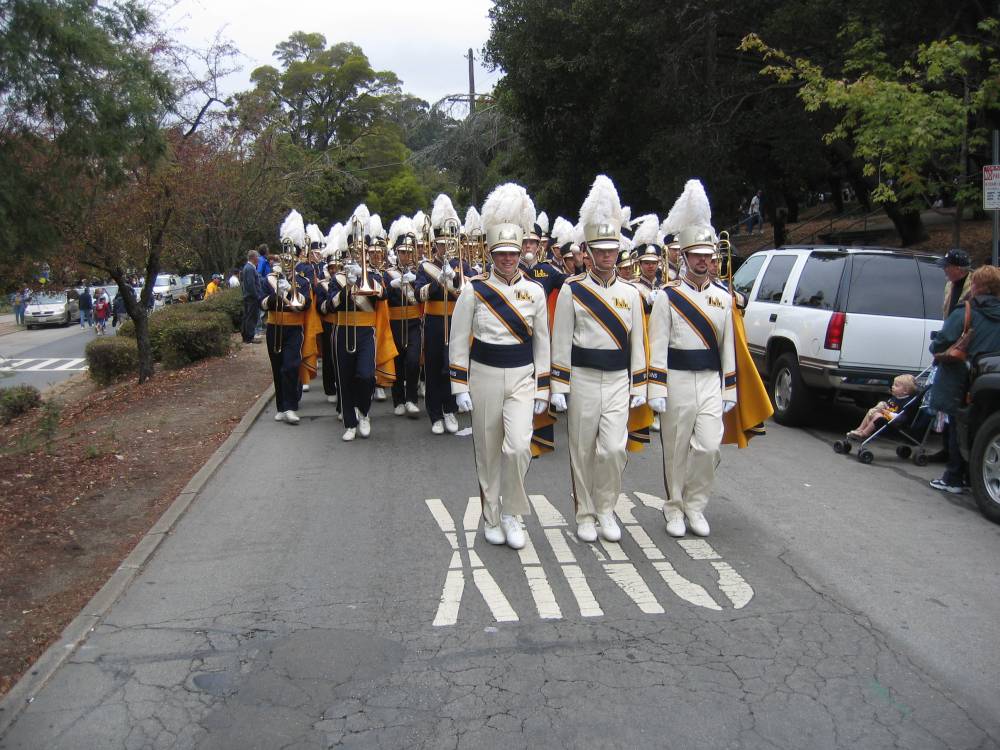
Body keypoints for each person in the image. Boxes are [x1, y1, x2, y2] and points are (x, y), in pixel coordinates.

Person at [449, 183, 551, 549]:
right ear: (491, 252)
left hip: (523, 376)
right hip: (485, 377)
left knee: (520, 447)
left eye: (513, 252)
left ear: (521, 251)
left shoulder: (535, 292)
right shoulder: (473, 290)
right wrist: (460, 387)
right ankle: (491, 515)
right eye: (501, 253)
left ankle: (512, 513)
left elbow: (542, 342)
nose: (508, 258)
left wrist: (543, 387)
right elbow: (458, 341)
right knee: (489, 451)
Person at [550, 175, 647, 543]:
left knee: (612, 449)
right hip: (584, 378)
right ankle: (585, 512)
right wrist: (559, 385)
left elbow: (638, 343)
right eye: (600, 250)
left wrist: (640, 383)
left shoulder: (632, 293)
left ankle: (607, 509)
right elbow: (561, 341)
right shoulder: (572, 290)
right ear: (587, 252)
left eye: (612, 250)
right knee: (581, 449)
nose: (607, 256)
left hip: (619, 380)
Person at [648, 180, 737, 538]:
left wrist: (729, 388)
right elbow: (657, 342)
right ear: (684, 257)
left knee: (709, 445)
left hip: (711, 380)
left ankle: (696, 505)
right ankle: (674, 507)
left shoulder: (723, 298)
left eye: (708, 256)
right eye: (696, 255)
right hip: (678, 379)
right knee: (676, 446)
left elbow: (728, 346)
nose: (703, 261)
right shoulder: (668, 297)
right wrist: (656, 387)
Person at [928, 265, 1000, 493]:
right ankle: (972, 476)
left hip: (961, 373)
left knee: (957, 421)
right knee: (979, 428)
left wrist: (936, 346)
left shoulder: (966, 310)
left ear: (977, 286)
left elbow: (942, 341)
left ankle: (953, 476)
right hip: (990, 376)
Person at [320, 207, 386, 441]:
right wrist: (348, 287)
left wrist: (364, 276)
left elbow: (382, 296)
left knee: (367, 375)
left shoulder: (375, 275)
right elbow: (327, 307)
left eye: (363, 251)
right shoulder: (338, 278)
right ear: (349, 252)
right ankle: (349, 423)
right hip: (342, 330)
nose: (359, 254)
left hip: (366, 332)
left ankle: (364, 412)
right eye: (355, 251)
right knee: (344, 378)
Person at [414, 194, 474, 435]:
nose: (446, 246)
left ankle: (450, 408)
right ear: (435, 245)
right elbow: (419, 294)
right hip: (434, 321)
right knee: (433, 365)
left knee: (452, 365)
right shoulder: (425, 267)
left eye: (450, 241)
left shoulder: (463, 265)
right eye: (442, 243)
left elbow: (468, 290)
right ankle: (435, 414)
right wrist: (439, 282)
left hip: (456, 320)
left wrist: (456, 277)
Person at [264, 211, 312, 425]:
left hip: (294, 328)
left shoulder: (302, 281)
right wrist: (277, 294)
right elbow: (261, 302)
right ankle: (281, 406)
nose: (287, 262)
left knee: (291, 366)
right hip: (274, 326)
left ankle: (291, 406)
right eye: (284, 258)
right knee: (277, 367)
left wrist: (290, 290)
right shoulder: (270, 278)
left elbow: (306, 304)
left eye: (291, 258)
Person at [385, 218, 422, 417]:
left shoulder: (420, 272)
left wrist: (416, 283)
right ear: (397, 253)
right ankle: (398, 399)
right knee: (398, 362)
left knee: (414, 361)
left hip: (414, 322)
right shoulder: (388, 274)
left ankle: (412, 399)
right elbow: (383, 298)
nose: (406, 256)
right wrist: (391, 286)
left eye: (409, 252)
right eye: (402, 252)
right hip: (394, 322)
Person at [847, 375, 918, 439]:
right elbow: (889, 406)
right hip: (886, 415)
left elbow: (902, 418)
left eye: (896, 386)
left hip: (895, 421)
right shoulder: (896, 397)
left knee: (878, 416)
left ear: (905, 391)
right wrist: (884, 407)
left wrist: (887, 412)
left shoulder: (907, 402)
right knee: (876, 408)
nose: (892, 386)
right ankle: (859, 429)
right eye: (893, 384)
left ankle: (864, 433)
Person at [240, 250, 261, 344]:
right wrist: (257, 295)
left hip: (249, 296)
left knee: (248, 316)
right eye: (257, 257)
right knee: (251, 317)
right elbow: (251, 284)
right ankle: (249, 337)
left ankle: (246, 336)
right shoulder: (250, 268)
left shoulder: (248, 268)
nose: (259, 259)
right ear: (253, 258)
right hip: (251, 297)